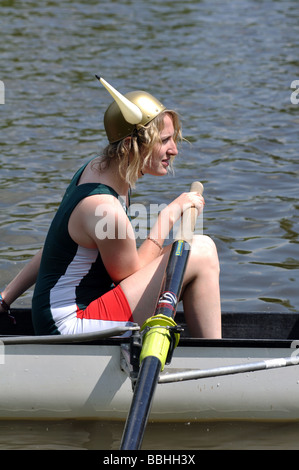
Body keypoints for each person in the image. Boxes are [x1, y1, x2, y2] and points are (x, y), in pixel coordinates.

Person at [0, 77, 221, 338]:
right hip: (69, 327)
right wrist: (168, 215)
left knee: (189, 256)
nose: (174, 150)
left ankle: (205, 348)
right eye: (164, 141)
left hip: (56, 313)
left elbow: (52, 247)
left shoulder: (97, 168)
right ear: (130, 145)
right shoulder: (105, 209)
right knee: (202, 252)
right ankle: (213, 353)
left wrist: (5, 297)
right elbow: (129, 275)